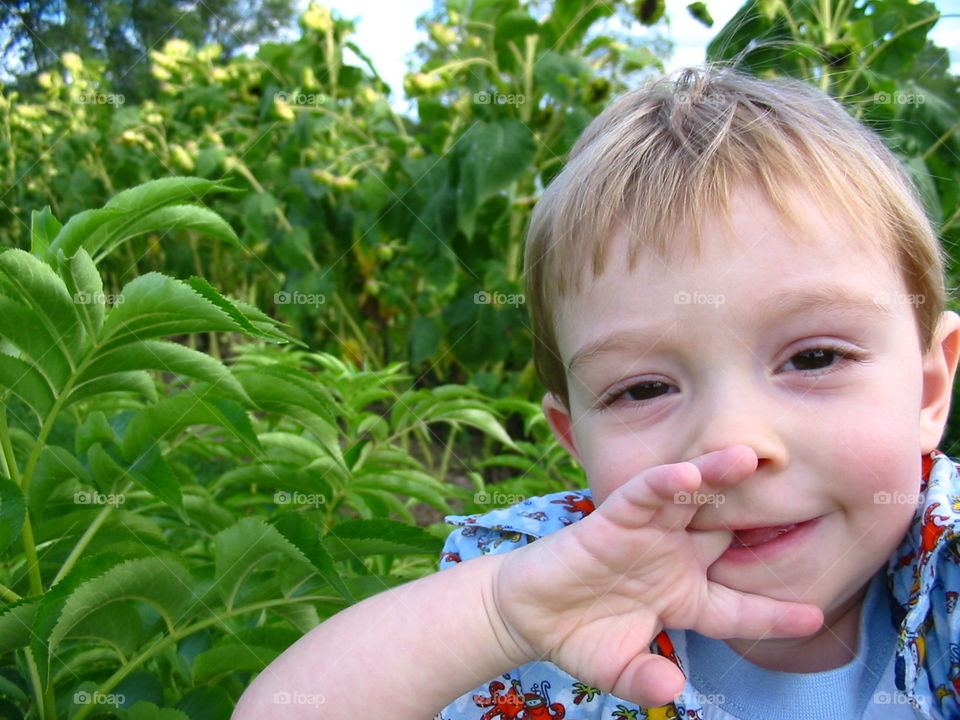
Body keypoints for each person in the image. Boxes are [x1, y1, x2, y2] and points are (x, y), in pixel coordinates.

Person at [231, 64, 960, 720]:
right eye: (643, 388)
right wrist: (498, 616)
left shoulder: (947, 564)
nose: (733, 443)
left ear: (929, 389)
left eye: (815, 357)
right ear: (575, 440)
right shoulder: (547, 595)